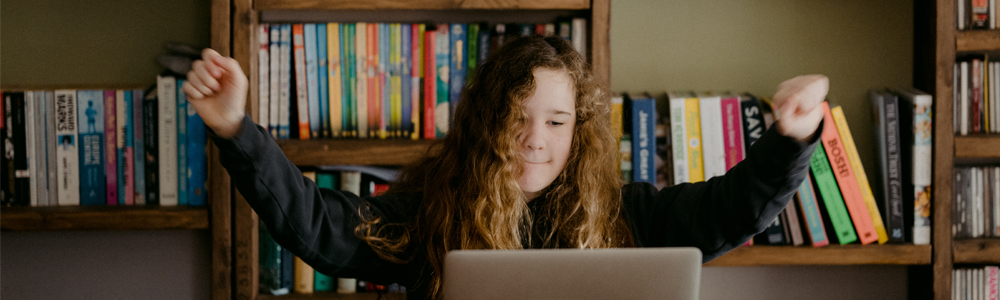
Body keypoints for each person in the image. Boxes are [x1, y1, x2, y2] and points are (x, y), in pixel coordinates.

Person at [183, 36, 827, 299]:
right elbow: (318, 227)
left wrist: (791, 137)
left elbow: (730, 210)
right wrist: (237, 129)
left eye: (555, 121)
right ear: (488, 122)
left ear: (578, 131)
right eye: (517, 118)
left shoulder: (629, 214)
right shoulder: (432, 212)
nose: (534, 141)